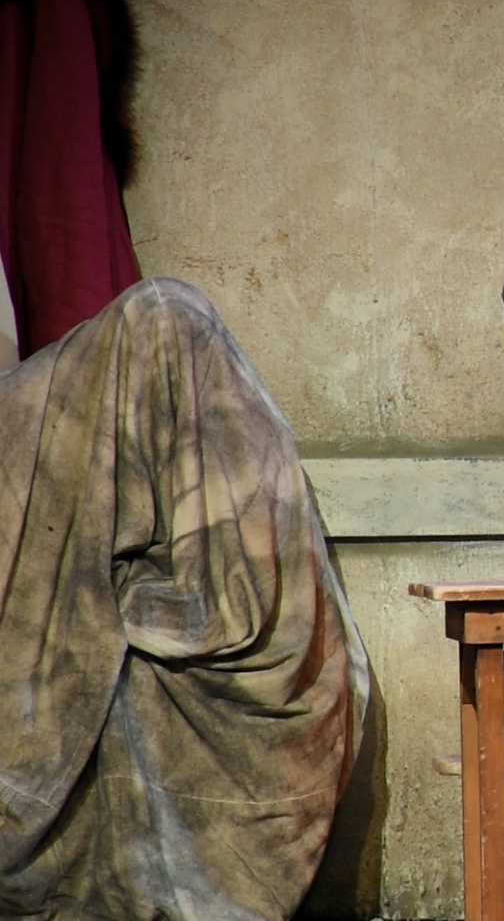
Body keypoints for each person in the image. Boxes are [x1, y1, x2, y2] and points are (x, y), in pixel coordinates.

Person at [0, 277, 369, 921]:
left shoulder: (220, 415)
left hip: (227, 643)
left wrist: (145, 601)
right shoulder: (53, 419)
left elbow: (237, 610)